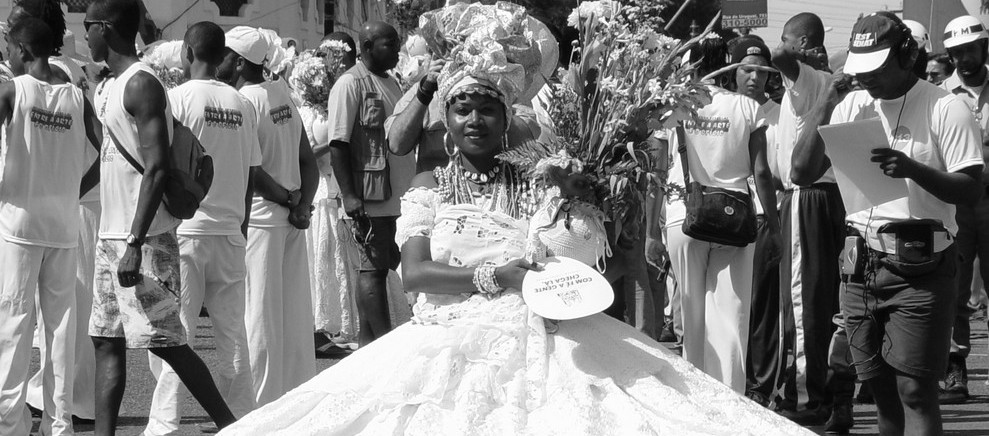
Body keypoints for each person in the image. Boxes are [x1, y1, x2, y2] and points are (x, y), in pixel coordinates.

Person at [214, 11, 812, 433]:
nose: (474, 120)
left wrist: (585, 204)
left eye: (488, 110)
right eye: (462, 109)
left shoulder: (537, 180)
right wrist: (495, 276)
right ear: (445, 121)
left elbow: (577, 257)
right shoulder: (429, 186)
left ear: (508, 121)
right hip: (447, 340)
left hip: (545, 333)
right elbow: (416, 274)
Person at [83, 1, 236, 434]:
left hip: (144, 238)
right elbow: (110, 155)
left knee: (168, 344)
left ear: (106, 29)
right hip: (111, 235)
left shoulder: (142, 85)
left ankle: (231, 425)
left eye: (90, 27)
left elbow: (157, 168)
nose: (86, 35)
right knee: (106, 341)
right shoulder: (110, 85)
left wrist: (134, 243)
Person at [828, 11, 983, 435]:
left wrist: (914, 169)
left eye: (877, 67)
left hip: (921, 268)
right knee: (879, 390)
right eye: (861, 70)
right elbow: (802, 172)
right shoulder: (853, 103)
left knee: (915, 390)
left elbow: (970, 188)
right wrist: (826, 101)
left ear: (906, 54)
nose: (868, 79)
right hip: (860, 266)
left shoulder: (945, 107)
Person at [144, 22, 261, 435]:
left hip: (187, 231)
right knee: (232, 333)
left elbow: (161, 166)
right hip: (229, 229)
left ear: (188, 53)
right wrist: (241, 225)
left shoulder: (175, 98)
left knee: (178, 335)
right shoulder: (242, 103)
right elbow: (249, 174)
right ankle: (243, 418)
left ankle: (165, 423)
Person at [0, 17, 100, 436]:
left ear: (21, 49)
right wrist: (72, 189)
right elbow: (104, 149)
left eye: (8, 46)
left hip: (20, 224)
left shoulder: (12, 89)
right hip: (61, 224)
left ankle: (10, 423)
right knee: (60, 329)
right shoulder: (78, 97)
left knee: (14, 324)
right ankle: (59, 425)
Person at [664, 35, 780, 394]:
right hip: (736, 218)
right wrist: (773, 224)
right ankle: (731, 405)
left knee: (691, 317)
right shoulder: (747, 108)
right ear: (726, 65)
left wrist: (653, 228)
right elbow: (761, 172)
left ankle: (694, 403)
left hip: (684, 215)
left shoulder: (673, 107)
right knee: (731, 317)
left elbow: (655, 168)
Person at [216, 25, 319, 406]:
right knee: (291, 317)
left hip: (262, 221)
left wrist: (290, 201)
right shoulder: (281, 93)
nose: (220, 60)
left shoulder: (243, 101)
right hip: (291, 222)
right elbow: (307, 160)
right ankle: (294, 400)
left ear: (239, 61)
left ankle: (253, 407)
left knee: (256, 319)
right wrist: (302, 204)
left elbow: (252, 171)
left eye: (225, 55)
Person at [771, 12, 848, 427]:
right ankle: (833, 394)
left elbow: (779, 53)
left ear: (803, 43)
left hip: (809, 195)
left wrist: (797, 51)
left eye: (790, 38)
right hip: (832, 192)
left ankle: (805, 394)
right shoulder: (826, 80)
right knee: (829, 300)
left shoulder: (804, 78)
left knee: (803, 301)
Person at [326, 21, 414, 346]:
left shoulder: (391, 82)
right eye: (388, 44)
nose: (396, 49)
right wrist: (349, 196)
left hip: (395, 196)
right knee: (371, 271)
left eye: (396, 42)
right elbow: (339, 144)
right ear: (366, 47)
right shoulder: (349, 84)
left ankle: (366, 352)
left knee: (380, 268)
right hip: (367, 199)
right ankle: (385, 349)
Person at [726, 35, 784, 407]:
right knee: (732, 303)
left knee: (763, 306)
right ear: (733, 71)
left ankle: (761, 386)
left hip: (767, 216)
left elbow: (777, 170)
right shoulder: (722, 110)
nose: (754, 78)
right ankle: (732, 378)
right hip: (727, 219)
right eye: (747, 69)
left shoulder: (782, 111)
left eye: (762, 70)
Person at [938, 14, 989, 405]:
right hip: (957, 206)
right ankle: (956, 366)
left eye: (969, 49)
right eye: (956, 53)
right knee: (955, 289)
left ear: (984, 47)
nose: (963, 59)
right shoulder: (941, 94)